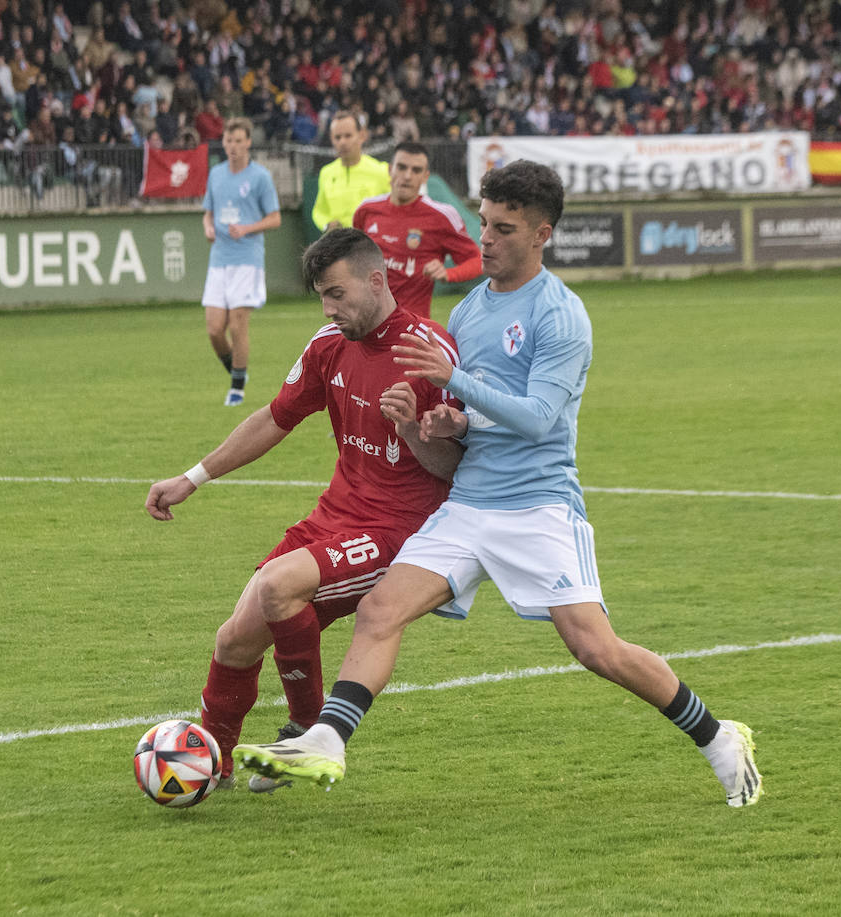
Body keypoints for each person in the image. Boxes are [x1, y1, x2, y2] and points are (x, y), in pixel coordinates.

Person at [236, 161, 763, 808]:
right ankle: (327, 737)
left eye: (503, 228)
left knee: (597, 649)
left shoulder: (562, 317)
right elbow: (473, 422)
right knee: (380, 609)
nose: (484, 238)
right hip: (469, 503)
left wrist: (454, 385)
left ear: (541, 233)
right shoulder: (472, 309)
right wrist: (440, 422)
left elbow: (539, 418)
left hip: (538, 505)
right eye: (483, 223)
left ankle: (718, 737)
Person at [145, 228, 462, 793]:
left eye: (337, 294)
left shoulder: (426, 350)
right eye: (321, 294)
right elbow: (275, 417)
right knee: (234, 639)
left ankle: (307, 729)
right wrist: (193, 477)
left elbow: (455, 468)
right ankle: (212, 763)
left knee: (277, 587)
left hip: (397, 531)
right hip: (334, 516)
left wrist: (412, 428)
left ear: (376, 280)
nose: (328, 307)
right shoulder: (328, 343)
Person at [200, 118, 281, 407]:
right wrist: (208, 227)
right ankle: (237, 371)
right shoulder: (216, 174)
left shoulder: (259, 177)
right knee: (213, 329)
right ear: (223, 143)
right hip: (219, 259)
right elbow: (208, 212)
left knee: (237, 325)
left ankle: (236, 389)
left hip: (247, 259)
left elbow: (275, 218)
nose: (233, 146)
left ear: (248, 142)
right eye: (228, 140)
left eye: (238, 140)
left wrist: (246, 228)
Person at [352, 141, 482, 319]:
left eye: (416, 170)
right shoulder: (366, 210)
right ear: (390, 170)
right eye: (402, 167)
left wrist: (448, 273)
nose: (407, 176)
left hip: (410, 327)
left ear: (425, 177)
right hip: (365, 324)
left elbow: (477, 261)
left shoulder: (441, 216)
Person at [310, 110, 389, 232]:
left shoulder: (381, 171)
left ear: (362, 135)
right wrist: (327, 225)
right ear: (332, 139)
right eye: (337, 137)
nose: (342, 142)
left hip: (372, 246)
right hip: (339, 247)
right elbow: (319, 210)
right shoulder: (326, 173)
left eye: (348, 136)